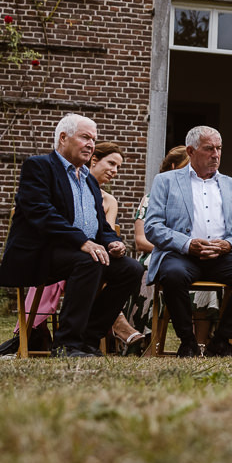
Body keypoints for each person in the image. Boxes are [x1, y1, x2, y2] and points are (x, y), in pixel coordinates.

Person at [0, 114, 144, 357]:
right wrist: (82, 242)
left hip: (81, 254)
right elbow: (41, 213)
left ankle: (87, 339)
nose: (91, 144)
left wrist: (112, 241)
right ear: (63, 138)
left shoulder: (88, 179)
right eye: (85, 137)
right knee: (90, 260)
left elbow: (100, 224)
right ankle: (66, 344)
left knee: (131, 269)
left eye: (93, 139)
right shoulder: (39, 166)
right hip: (43, 253)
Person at [141, 126, 232, 357]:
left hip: (221, 256)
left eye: (219, 148)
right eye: (209, 149)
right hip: (181, 255)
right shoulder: (165, 181)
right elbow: (153, 226)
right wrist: (187, 244)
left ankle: (220, 340)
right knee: (173, 275)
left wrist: (229, 245)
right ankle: (187, 341)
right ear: (190, 151)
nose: (216, 154)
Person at [89, 142, 149, 353]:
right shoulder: (75, 187)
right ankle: (119, 325)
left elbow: (107, 232)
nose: (114, 171)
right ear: (94, 160)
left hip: (100, 255)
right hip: (77, 253)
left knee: (130, 268)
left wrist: (116, 245)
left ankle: (104, 329)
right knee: (96, 267)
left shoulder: (109, 200)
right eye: (111, 163)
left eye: (118, 167)